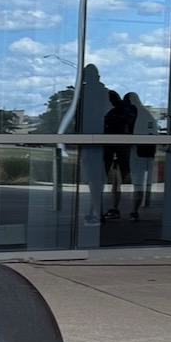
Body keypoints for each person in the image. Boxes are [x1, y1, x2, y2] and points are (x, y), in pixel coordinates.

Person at [76, 65, 108, 226]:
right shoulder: (104, 92)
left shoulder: (85, 93)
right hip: (102, 140)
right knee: (97, 179)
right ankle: (94, 210)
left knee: (92, 179)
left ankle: (96, 211)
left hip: (89, 140)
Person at [102, 89, 136, 220]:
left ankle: (114, 207)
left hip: (117, 149)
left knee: (116, 179)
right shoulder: (126, 112)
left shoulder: (116, 113)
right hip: (121, 149)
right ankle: (119, 208)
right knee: (118, 179)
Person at [126, 92, 157, 222]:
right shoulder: (145, 114)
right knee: (140, 182)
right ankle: (137, 207)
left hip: (139, 152)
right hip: (144, 152)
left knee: (138, 182)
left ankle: (135, 209)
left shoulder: (138, 114)